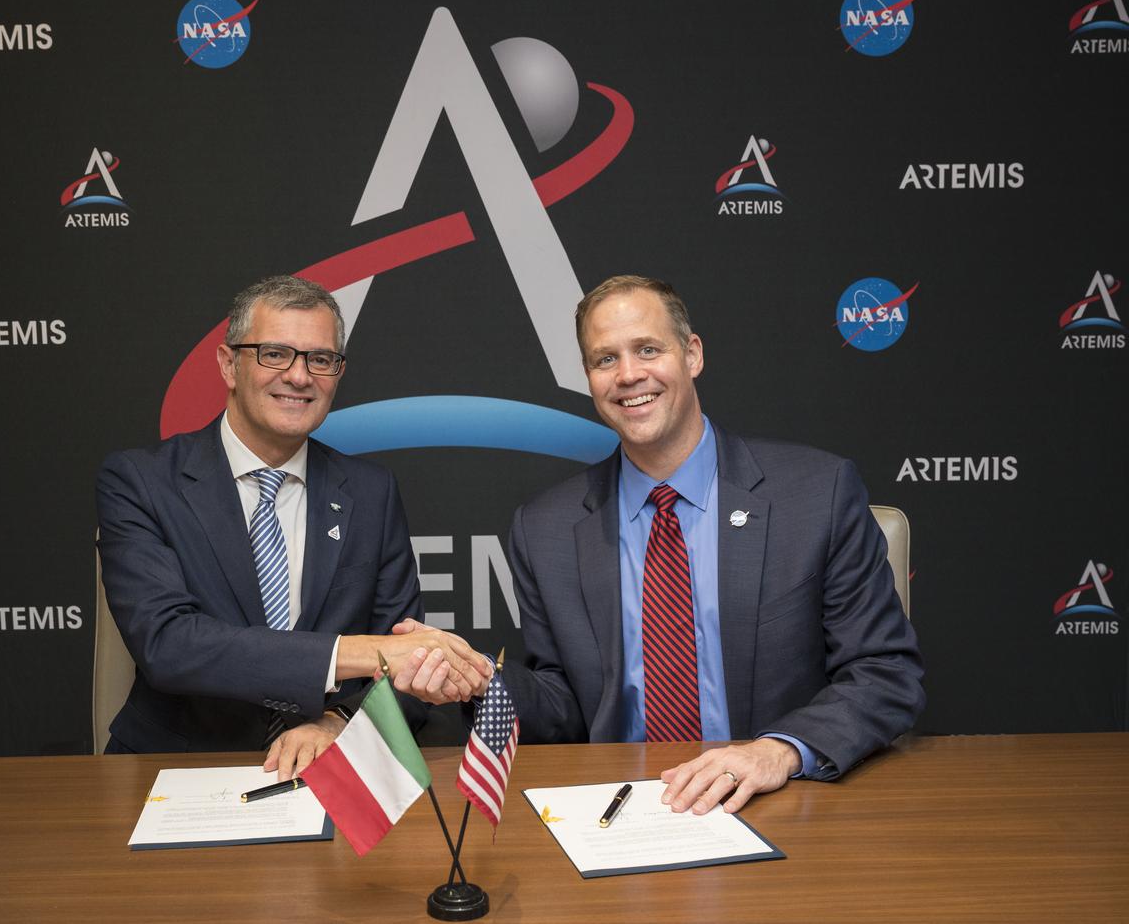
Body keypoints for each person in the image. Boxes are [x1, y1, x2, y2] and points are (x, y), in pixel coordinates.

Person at [391, 274, 923, 815]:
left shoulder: (815, 495)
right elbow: (567, 706)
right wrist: (481, 682)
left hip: (773, 800)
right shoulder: (545, 528)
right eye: (605, 359)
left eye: (647, 349)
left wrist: (777, 752)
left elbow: (884, 673)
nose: (628, 375)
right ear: (588, 377)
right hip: (619, 809)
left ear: (692, 354)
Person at [96, 275, 489, 777]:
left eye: (320, 359)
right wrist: (368, 653)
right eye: (275, 353)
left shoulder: (371, 492)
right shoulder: (142, 481)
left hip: (325, 773)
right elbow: (169, 645)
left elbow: (402, 669)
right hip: (179, 768)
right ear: (228, 364)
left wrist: (335, 719)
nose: (300, 377)